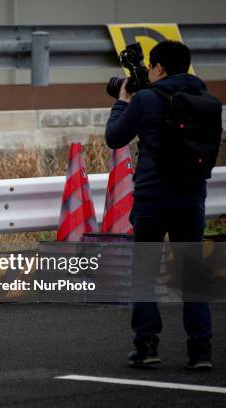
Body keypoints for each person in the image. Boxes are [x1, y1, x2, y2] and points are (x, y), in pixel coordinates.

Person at [105, 40, 215, 370]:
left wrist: (123, 101)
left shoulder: (147, 99)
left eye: (153, 67)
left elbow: (114, 137)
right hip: (192, 197)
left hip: (153, 198)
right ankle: (201, 351)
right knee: (192, 274)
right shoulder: (205, 99)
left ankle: (147, 345)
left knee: (144, 272)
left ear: (160, 68)